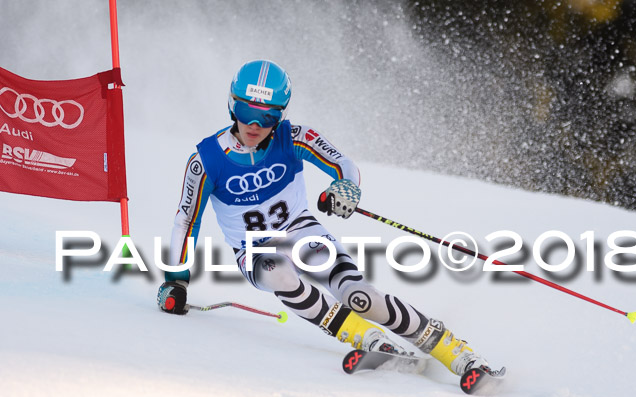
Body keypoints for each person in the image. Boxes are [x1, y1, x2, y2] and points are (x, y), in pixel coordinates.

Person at [157, 59, 492, 377]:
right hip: (254, 251)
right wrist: (177, 279)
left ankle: (455, 352)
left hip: (302, 231)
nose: (255, 125)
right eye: (246, 111)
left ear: (281, 116)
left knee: (360, 296)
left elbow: (344, 165)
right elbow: (187, 220)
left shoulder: (294, 137)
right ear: (232, 105)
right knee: (279, 274)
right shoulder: (207, 159)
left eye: (268, 117)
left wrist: (346, 189)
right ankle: (366, 338)